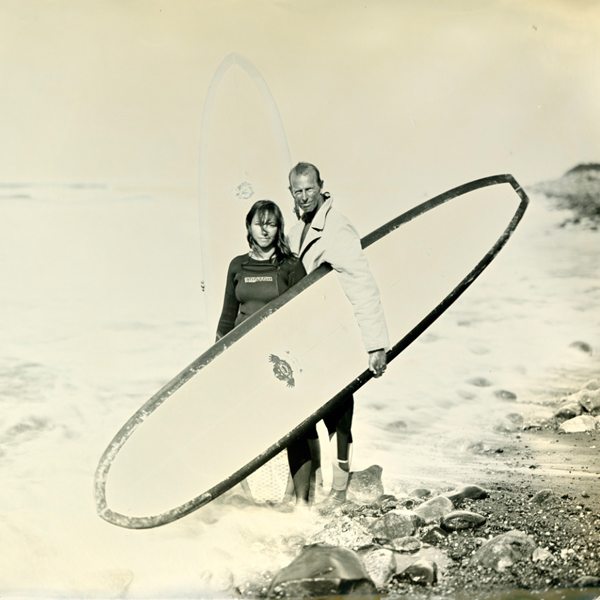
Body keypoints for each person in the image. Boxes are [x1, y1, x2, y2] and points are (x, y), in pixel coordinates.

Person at [286, 162, 389, 503]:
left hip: (336, 334)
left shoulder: (335, 228)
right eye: (298, 191)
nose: (304, 196)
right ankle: (311, 486)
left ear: (321, 187)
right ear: (291, 193)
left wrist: (376, 346)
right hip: (310, 338)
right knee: (309, 410)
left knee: (338, 413)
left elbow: (362, 285)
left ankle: (340, 491)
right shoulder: (297, 228)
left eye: (309, 189)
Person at [216, 199, 312, 505]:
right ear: (248, 227)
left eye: (271, 224)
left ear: (279, 227)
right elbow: (227, 316)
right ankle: (243, 494)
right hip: (245, 359)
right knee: (243, 425)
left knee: (294, 427)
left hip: (282, 359)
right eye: (259, 223)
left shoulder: (291, 266)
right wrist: (216, 360)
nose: (265, 230)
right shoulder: (237, 265)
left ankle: (301, 504)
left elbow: (306, 316)